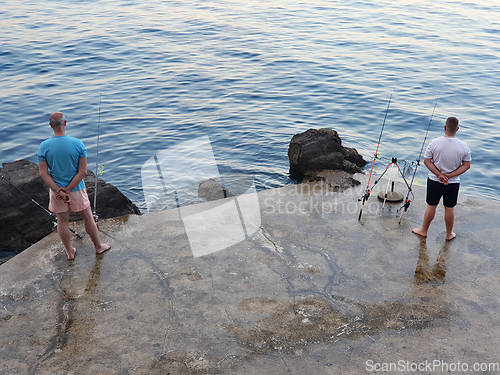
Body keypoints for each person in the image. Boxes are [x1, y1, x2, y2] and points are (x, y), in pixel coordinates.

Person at [38, 112, 111, 260]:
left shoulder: (43, 146)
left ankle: (70, 252)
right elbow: (83, 171)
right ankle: (98, 247)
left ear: (50, 125)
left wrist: (59, 190)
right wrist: (69, 189)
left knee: (62, 221)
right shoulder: (78, 143)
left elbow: (43, 174)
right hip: (76, 189)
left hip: (56, 192)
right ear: (65, 123)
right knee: (88, 218)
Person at [412, 116, 471, 240]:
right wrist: (450, 175)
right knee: (449, 208)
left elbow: (427, 161)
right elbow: (466, 165)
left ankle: (424, 230)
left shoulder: (434, 143)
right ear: (457, 129)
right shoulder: (464, 146)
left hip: (434, 180)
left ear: (445, 127)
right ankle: (449, 234)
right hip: (453, 183)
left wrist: (439, 175)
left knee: (431, 206)